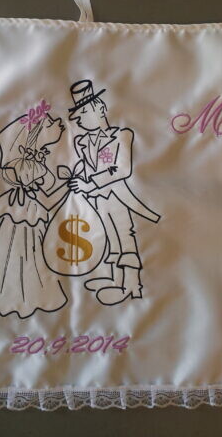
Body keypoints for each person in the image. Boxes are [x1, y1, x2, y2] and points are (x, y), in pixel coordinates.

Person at [65, 80, 161, 306]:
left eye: (84, 113)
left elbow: (121, 170)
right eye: (78, 116)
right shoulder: (83, 142)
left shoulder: (121, 136)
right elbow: (86, 166)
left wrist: (89, 184)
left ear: (100, 109)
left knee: (124, 235)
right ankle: (115, 279)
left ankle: (132, 285)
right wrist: (76, 177)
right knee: (108, 236)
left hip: (117, 196)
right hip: (98, 200)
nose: (80, 120)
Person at [0, 113, 68, 318]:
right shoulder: (29, 166)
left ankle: (21, 294)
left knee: (21, 251)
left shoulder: (27, 164)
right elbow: (48, 192)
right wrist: (66, 186)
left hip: (23, 210)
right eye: (45, 148)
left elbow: (46, 190)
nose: (45, 153)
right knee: (25, 250)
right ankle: (25, 296)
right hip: (26, 212)